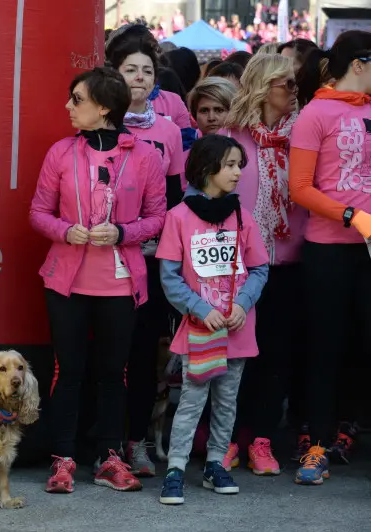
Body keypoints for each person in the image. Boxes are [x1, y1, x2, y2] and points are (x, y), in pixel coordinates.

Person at [30, 66, 164, 493]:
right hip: (66, 279)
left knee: (113, 372)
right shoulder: (60, 153)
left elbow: (158, 218)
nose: (69, 107)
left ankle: (110, 456)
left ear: (104, 107)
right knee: (67, 371)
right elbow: (38, 212)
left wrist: (124, 233)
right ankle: (63, 458)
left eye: (78, 99)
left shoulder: (145, 156)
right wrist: (64, 230)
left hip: (121, 282)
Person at [158, 135, 269, 505]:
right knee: (192, 398)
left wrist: (242, 304)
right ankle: (175, 469)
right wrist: (201, 309)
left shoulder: (242, 216)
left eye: (240, 165)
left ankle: (215, 464)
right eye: (230, 165)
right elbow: (169, 277)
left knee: (227, 401)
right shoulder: (179, 217)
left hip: (236, 328)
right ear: (207, 169)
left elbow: (259, 268)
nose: (238, 172)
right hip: (199, 329)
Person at [289, 30, 371, 486]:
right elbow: (299, 188)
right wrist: (352, 216)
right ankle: (317, 446)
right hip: (328, 251)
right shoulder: (315, 114)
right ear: (358, 64)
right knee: (325, 351)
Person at [219, 53, 306, 474]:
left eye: (295, 83)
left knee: (275, 354)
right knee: (236, 355)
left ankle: (262, 440)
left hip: (290, 261)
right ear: (262, 85)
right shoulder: (229, 135)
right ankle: (231, 437)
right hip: (238, 266)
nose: (294, 91)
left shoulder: (303, 133)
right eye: (286, 84)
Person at [108, 27, 187, 478]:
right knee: (110, 357)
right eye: (129, 70)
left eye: (146, 71)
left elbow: (176, 199)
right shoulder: (104, 125)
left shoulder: (168, 131)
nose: (138, 78)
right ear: (115, 75)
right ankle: (103, 443)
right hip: (107, 255)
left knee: (142, 357)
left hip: (155, 261)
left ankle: (136, 443)